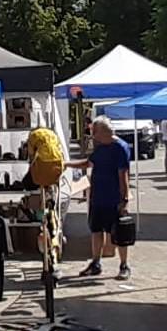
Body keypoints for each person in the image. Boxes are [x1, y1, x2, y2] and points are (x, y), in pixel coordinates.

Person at [68, 120, 133, 281]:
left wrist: (124, 200)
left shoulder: (120, 148)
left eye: (94, 132)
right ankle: (96, 263)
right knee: (96, 230)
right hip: (97, 197)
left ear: (103, 132)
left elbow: (123, 175)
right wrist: (67, 164)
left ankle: (124, 265)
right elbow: (89, 163)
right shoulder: (100, 147)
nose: (92, 136)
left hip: (113, 199)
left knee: (119, 233)